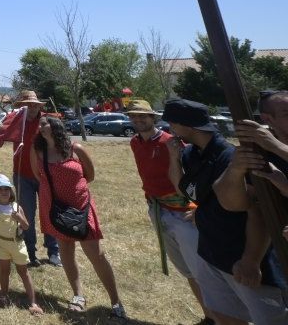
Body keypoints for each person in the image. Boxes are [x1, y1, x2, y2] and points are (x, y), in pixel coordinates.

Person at [166, 98, 287, 325]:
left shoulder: (229, 156)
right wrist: (173, 158)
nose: (170, 129)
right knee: (224, 315)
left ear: (188, 126)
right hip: (212, 251)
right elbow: (184, 190)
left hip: (241, 256)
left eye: (173, 123)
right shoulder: (191, 154)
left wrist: (250, 260)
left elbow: (257, 211)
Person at [30, 114, 126, 319]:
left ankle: (116, 301)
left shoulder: (76, 149)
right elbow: (38, 176)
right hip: (56, 209)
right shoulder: (38, 151)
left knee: (95, 253)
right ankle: (78, 296)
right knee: (66, 249)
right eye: (40, 125)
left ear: (55, 127)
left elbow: (90, 175)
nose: (41, 127)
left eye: (44, 124)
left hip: (81, 207)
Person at [124, 98, 210, 322]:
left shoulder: (172, 142)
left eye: (143, 115)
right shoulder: (135, 142)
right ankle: (208, 316)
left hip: (182, 211)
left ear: (153, 118)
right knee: (186, 269)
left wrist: (199, 207)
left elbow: (192, 175)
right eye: (134, 116)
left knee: (201, 269)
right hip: (157, 209)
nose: (138, 119)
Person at [10, 90, 61, 268]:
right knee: (27, 215)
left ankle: (53, 251)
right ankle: (30, 251)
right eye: (26, 104)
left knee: (49, 212)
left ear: (39, 106)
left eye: (33, 105)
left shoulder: (48, 121)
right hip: (22, 174)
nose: (30, 108)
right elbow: (0, 135)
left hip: (45, 174)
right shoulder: (15, 120)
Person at [0, 174, 42, 315]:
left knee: (23, 272)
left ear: (11, 191)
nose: (4, 192)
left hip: (17, 245)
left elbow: (27, 226)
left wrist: (20, 218)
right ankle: (4, 295)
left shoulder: (16, 207)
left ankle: (33, 302)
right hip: (0, 243)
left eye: (7, 189)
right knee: (4, 270)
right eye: (0, 190)